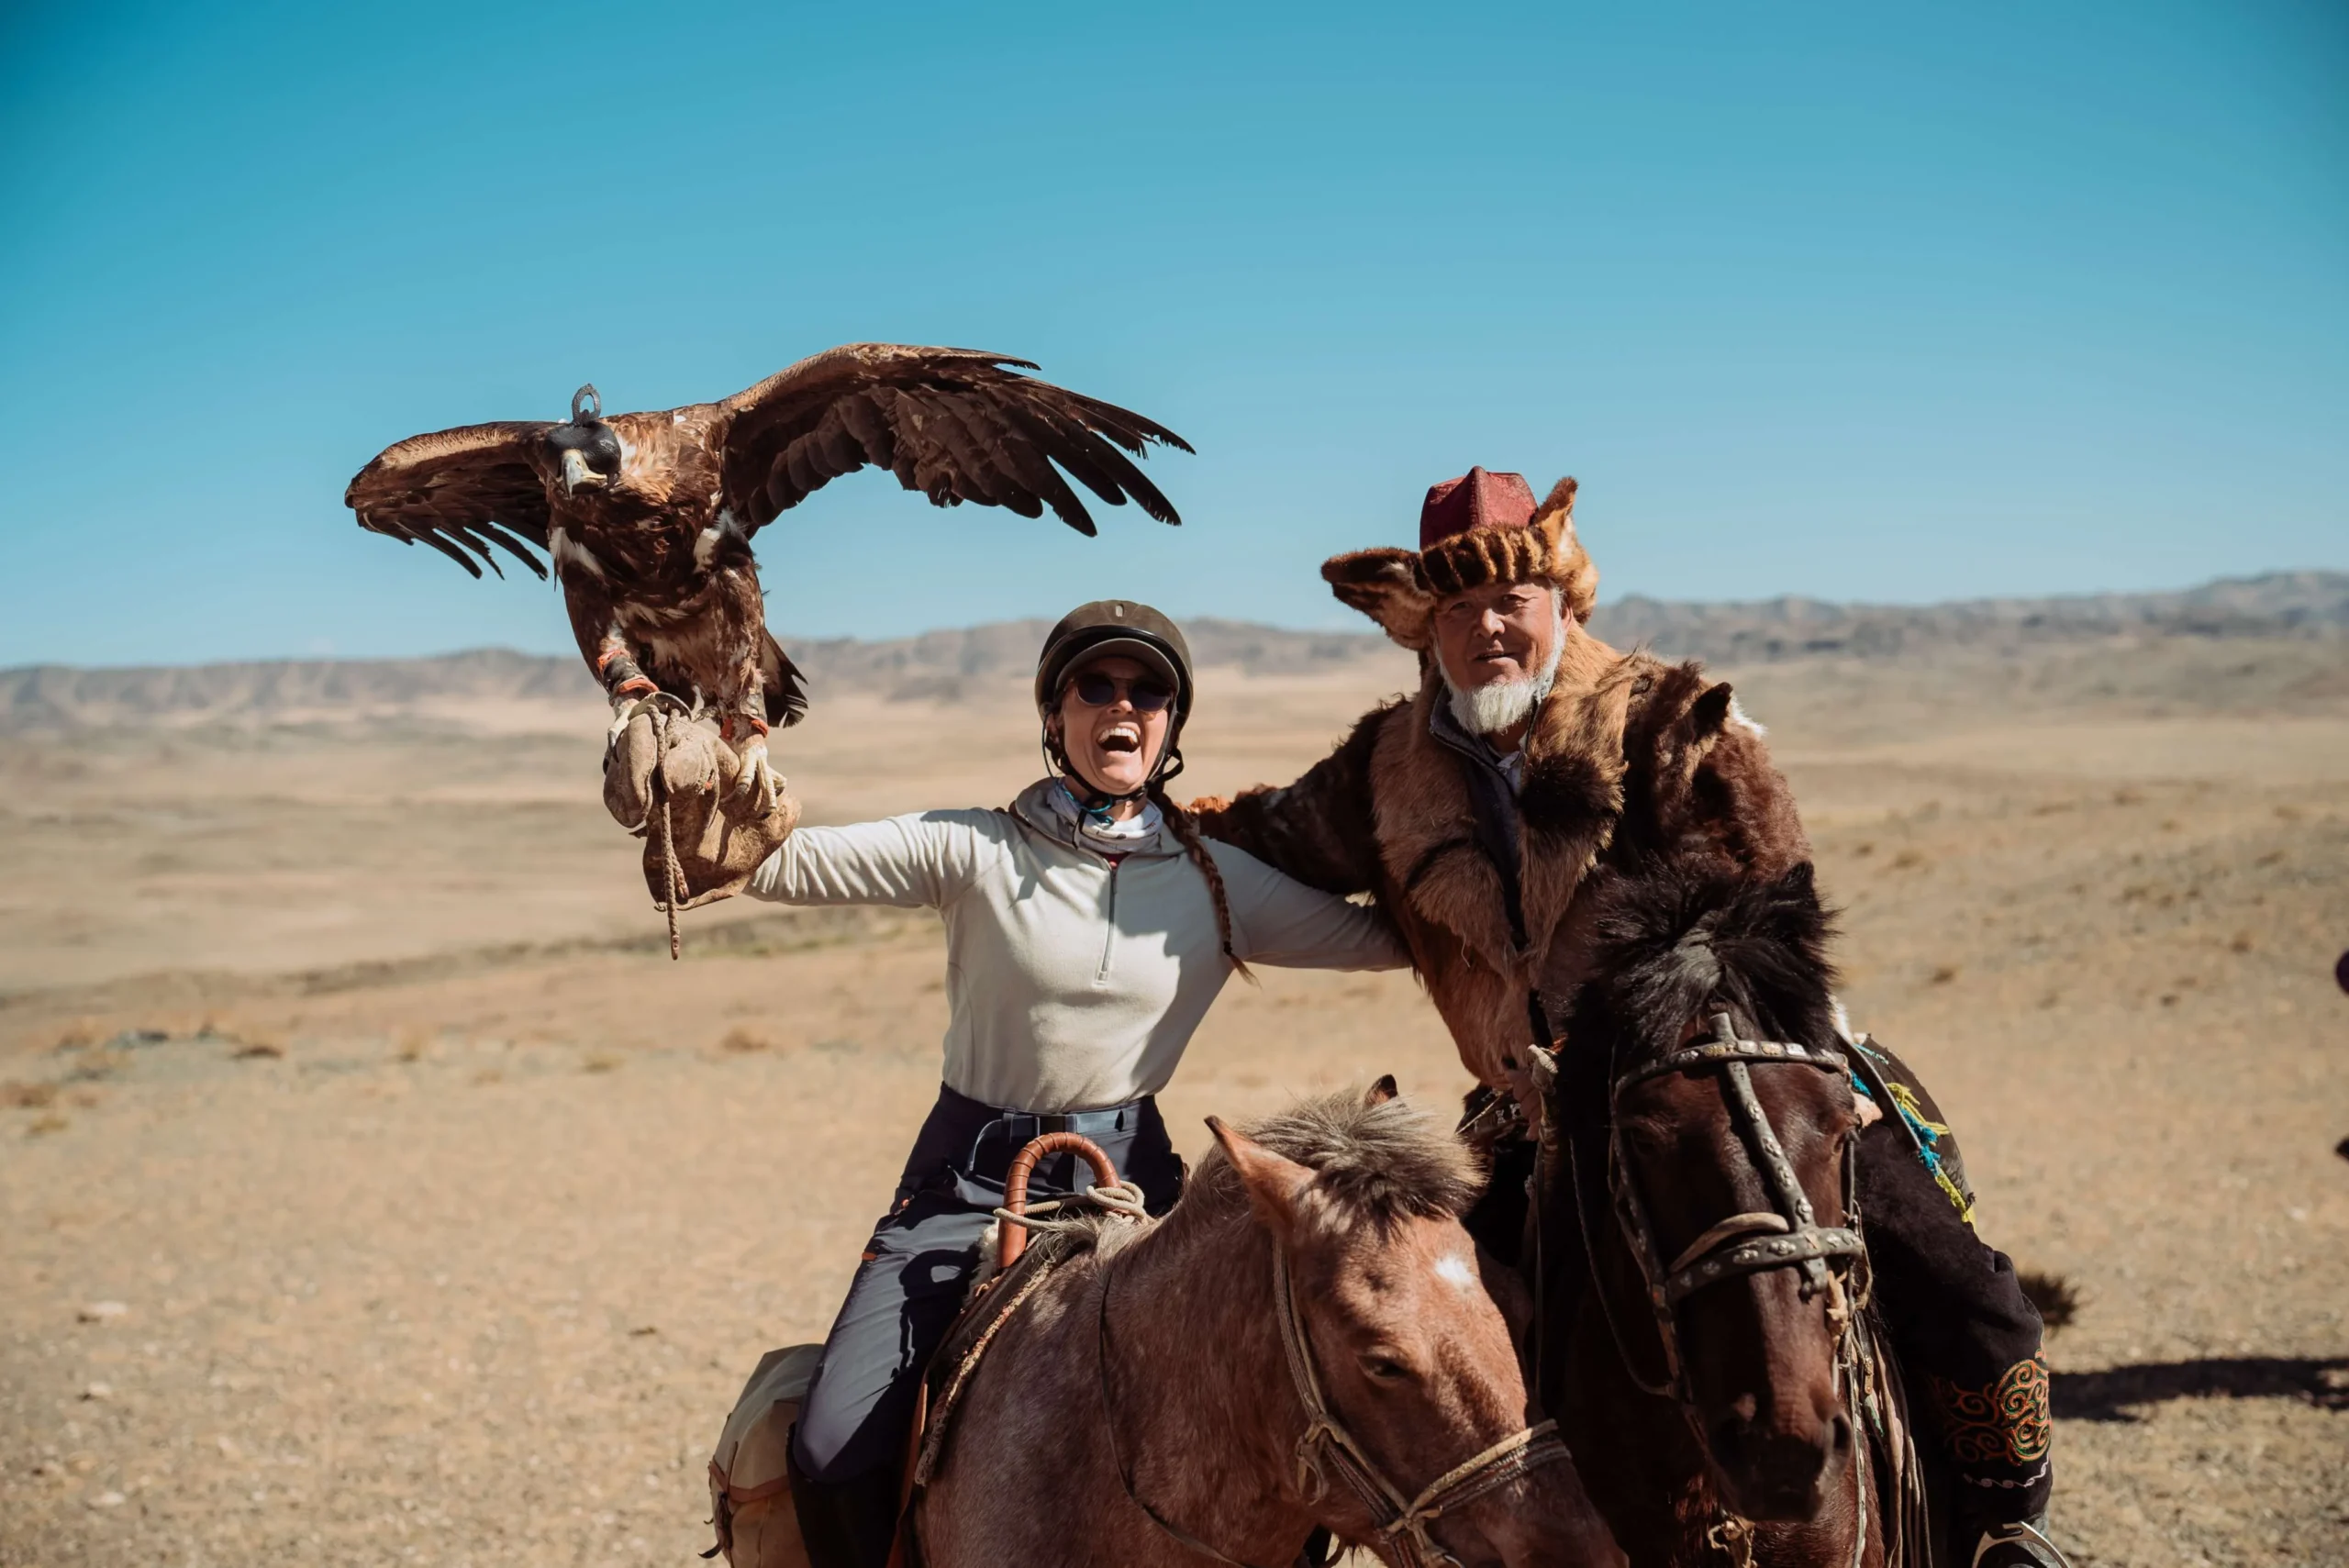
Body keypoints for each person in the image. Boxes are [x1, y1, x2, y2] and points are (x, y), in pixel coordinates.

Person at [1188, 469, 2070, 1568]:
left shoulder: (1665, 719)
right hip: (1539, 1108)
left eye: (1511, 598)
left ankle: (2005, 1522)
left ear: (1564, 602)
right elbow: (1270, 834)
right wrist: (1137, 817)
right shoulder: (1386, 765)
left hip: (1733, 1068)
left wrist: (1649, 1028)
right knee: (1433, 1332)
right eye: (1458, 609)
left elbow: (1764, 911)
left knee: (1959, 1283)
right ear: (1426, 631)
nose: (1488, 627)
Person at [629, 601, 1409, 1568]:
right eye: (1096, 685)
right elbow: (771, 864)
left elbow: (1396, 940)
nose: (1123, 704)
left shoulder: (1221, 883)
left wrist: (1468, 860)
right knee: (831, 1448)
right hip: (964, 1178)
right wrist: (699, 769)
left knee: (1270, 1428)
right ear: (1054, 714)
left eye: (1148, 688)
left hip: (1137, 1186)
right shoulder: (977, 848)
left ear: (1171, 721)